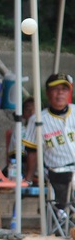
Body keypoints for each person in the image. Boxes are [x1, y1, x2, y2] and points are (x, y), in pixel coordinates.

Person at [23, 73, 75, 223]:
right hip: (57, 170)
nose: (60, 93)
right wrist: (29, 177)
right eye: (55, 89)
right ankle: (64, 218)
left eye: (64, 89)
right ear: (47, 93)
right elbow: (32, 151)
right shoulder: (38, 119)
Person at [6, 96, 35, 175]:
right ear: (22, 113)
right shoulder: (19, 130)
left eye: (35, 110)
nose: (32, 113)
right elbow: (16, 156)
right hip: (23, 168)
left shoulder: (46, 129)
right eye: (28, 110)